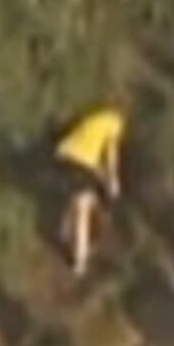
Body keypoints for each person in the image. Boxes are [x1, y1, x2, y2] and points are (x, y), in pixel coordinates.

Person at [54, 105, 125, 278]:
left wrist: (102, 177)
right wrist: (113, 180)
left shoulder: (94, 119)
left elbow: (91, 156)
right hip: (80, 163)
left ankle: (64, 234)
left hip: (63, 157)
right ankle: (79, 261)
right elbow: (111, 155)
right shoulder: (115, 123)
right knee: (82, 209)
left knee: (82, 198)